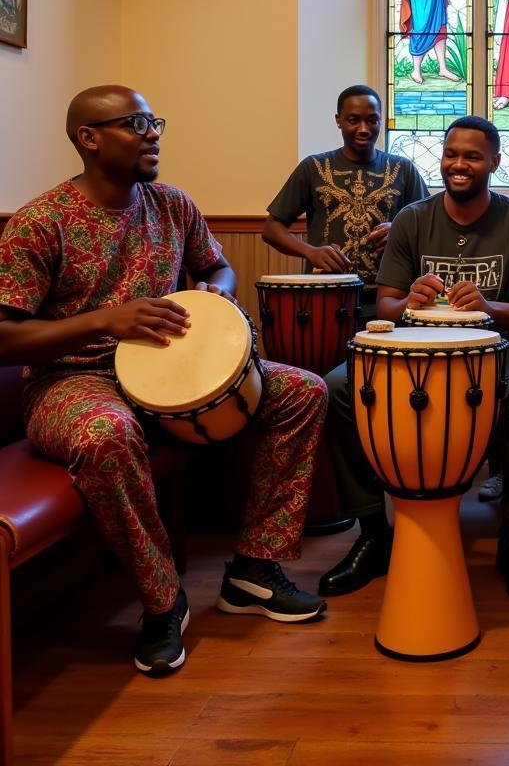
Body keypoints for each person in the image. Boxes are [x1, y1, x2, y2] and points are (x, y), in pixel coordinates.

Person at [0, 86, 329, 676]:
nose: (153, 134)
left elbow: (217, 265)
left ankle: (254, 568)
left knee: (303, 391)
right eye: (137, 123)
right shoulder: (38, 223)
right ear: (89, 139)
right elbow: (3, 336)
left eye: (156, 122)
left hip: (174, 371)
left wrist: (217, 292)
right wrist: (104, 320)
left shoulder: (172, 204)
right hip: (76, 381)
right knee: (106, 434)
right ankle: (161, 601)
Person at [318, 116, 509, 604]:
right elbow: (384, 305)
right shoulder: (412, 219)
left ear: (494, 162)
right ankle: (372, 534)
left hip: (501, 349)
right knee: (336, 388)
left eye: (472, 155)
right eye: (451, 154)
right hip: (416, 350)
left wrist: (491, 307)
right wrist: (411, 300)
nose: (459, 164)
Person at [263, 85, 429, 321]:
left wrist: (400, 232)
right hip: (326, 298)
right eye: (353, 120)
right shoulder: (314, 168)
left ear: (381, 120)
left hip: (387, 299)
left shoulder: (403, 169)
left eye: (372, 120)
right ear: (338, 120)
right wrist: (310, 252)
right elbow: (271, 228)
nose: (363, 128)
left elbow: (428, 227)